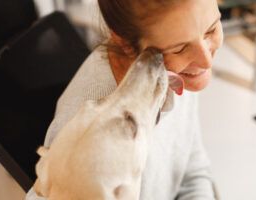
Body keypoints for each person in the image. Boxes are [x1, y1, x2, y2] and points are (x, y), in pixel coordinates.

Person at [25, 0, 223, 199]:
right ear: (126, 43)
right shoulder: (80, 142)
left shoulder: (180, 67)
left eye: (212, 29)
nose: (206, 60)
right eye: (179, 48)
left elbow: (192, 170)